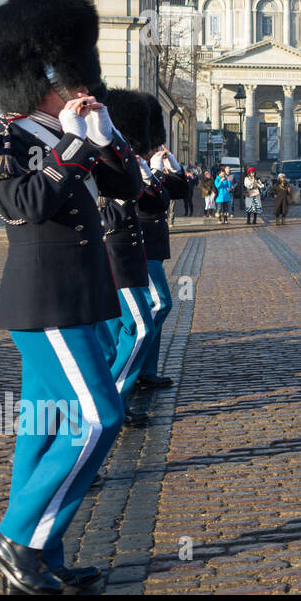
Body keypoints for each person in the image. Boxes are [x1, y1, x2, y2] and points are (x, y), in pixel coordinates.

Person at [0, 0, 142, 593]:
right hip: (44, 300)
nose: (80, 89)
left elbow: (132, 190)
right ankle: (18, 538)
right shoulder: (6, 136)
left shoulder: (69, 130)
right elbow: (22, 206)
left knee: (44, 427)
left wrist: (105, 134)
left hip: (78, 300)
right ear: (40, 79)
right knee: (102, 418)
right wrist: (76, 145)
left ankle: (41, 553)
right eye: (68, 81)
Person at [93, 89, 156, 424]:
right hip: (114, 259)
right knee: (140, 327)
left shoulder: (120, 159)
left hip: (127, 259)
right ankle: (112, 397)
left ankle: (114, 398)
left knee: (115, 338)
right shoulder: (93, 159)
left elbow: (152, 198)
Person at [140, 107, 185, 394]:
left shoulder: (143, 167)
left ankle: (146, 370)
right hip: (136, 248)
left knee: (150, 310)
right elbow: (147, 199)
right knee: (158, 305)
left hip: (151, 248)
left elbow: (179, 190)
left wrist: (173, 166)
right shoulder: (128, 168)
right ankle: (127, 372)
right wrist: (153, 170)